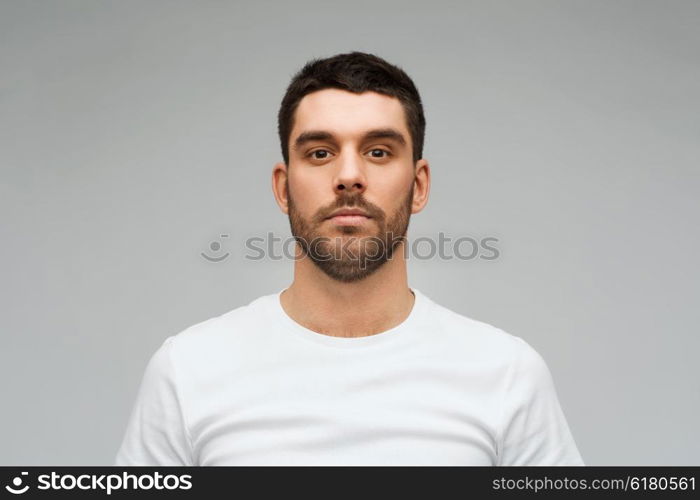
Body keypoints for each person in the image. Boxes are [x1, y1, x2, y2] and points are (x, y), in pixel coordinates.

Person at [115, 51, 584, 466]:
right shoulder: (188, 369)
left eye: (378, 151)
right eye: (320, 152)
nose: (349, 176)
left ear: (418, 185)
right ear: (283, 187)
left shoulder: (506, 373)